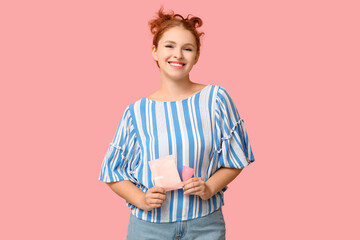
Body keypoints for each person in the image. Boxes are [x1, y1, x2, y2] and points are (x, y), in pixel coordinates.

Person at [99, 7, 255, 240]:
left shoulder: (215, 99)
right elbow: (112, 172)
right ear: (154, 51)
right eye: (169, 46)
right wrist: (141, 199)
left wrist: (210, 187)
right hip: (149, 228)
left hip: (205, 224)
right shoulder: (136, 112)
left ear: (196, 56)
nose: (178, 55)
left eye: (187, 48)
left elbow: (237, 156)